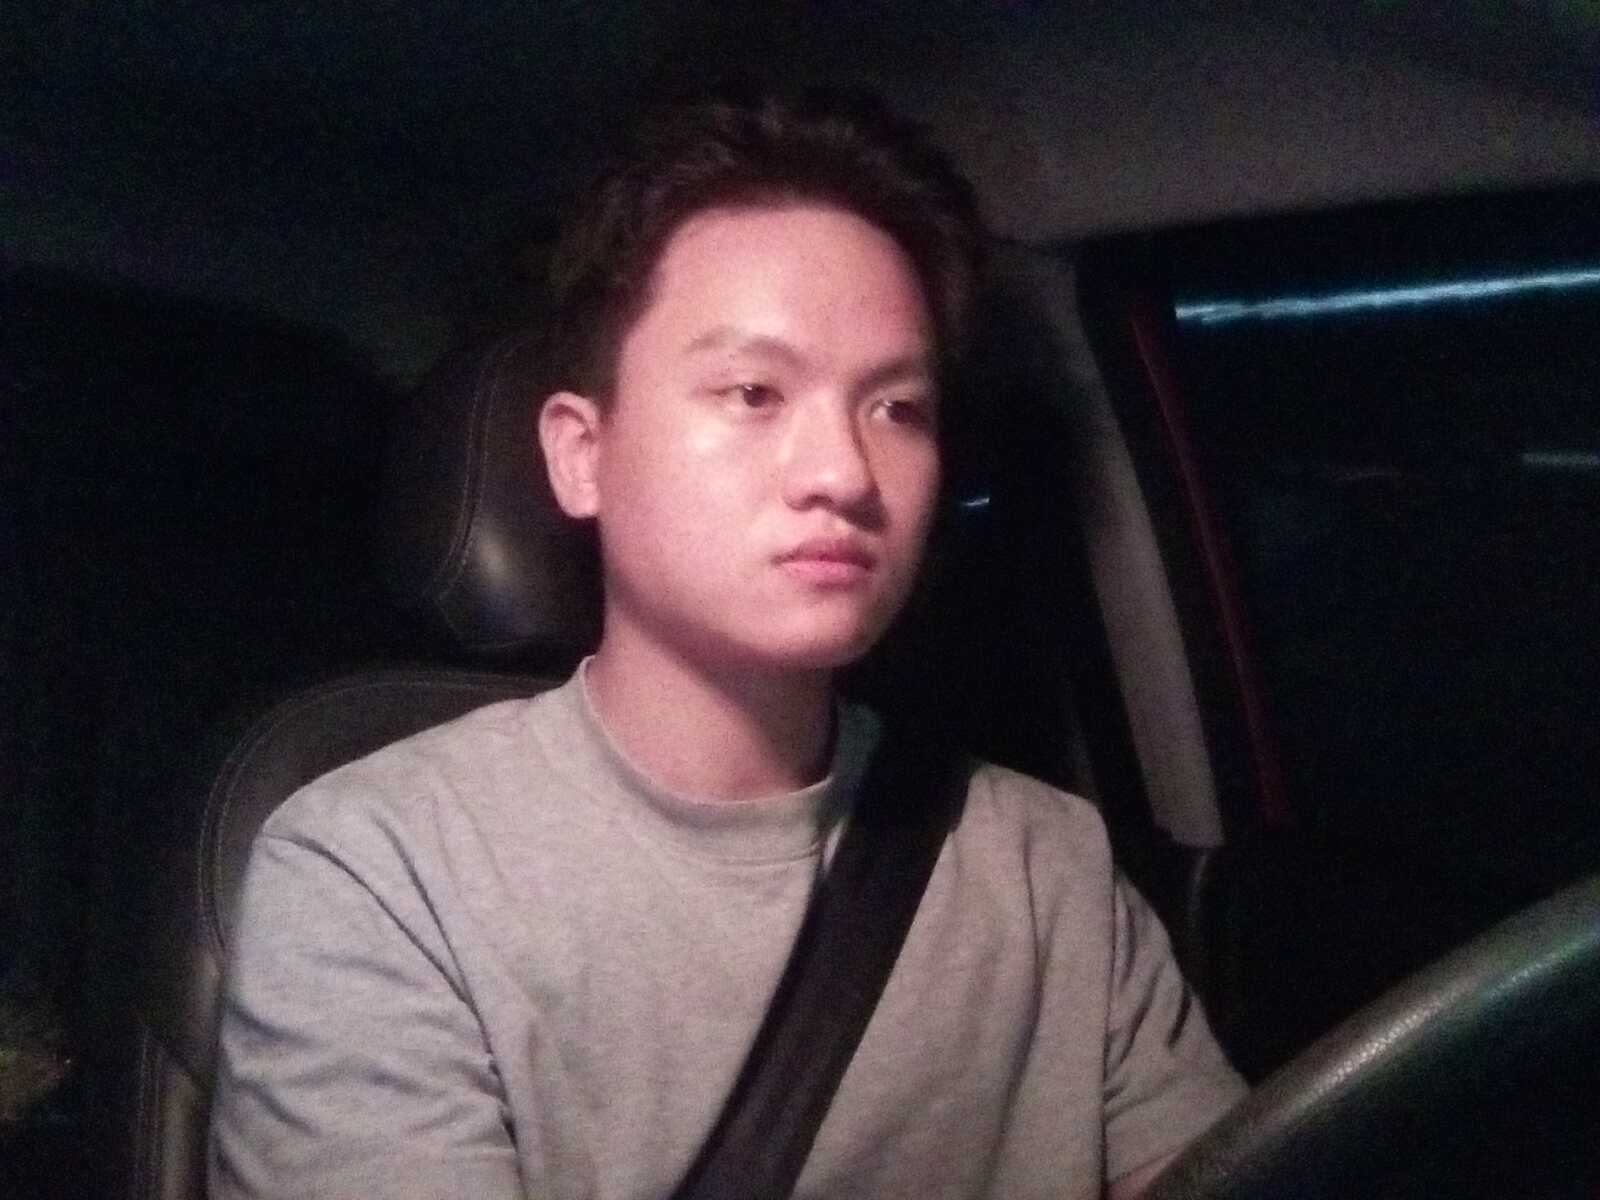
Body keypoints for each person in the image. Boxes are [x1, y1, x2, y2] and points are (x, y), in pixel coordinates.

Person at [208, 88, 1246, 1200]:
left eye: (896, 408)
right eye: (754, 392)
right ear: (581, 455)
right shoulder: (383, 868)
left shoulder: (1047, 867)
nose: (842, 473)